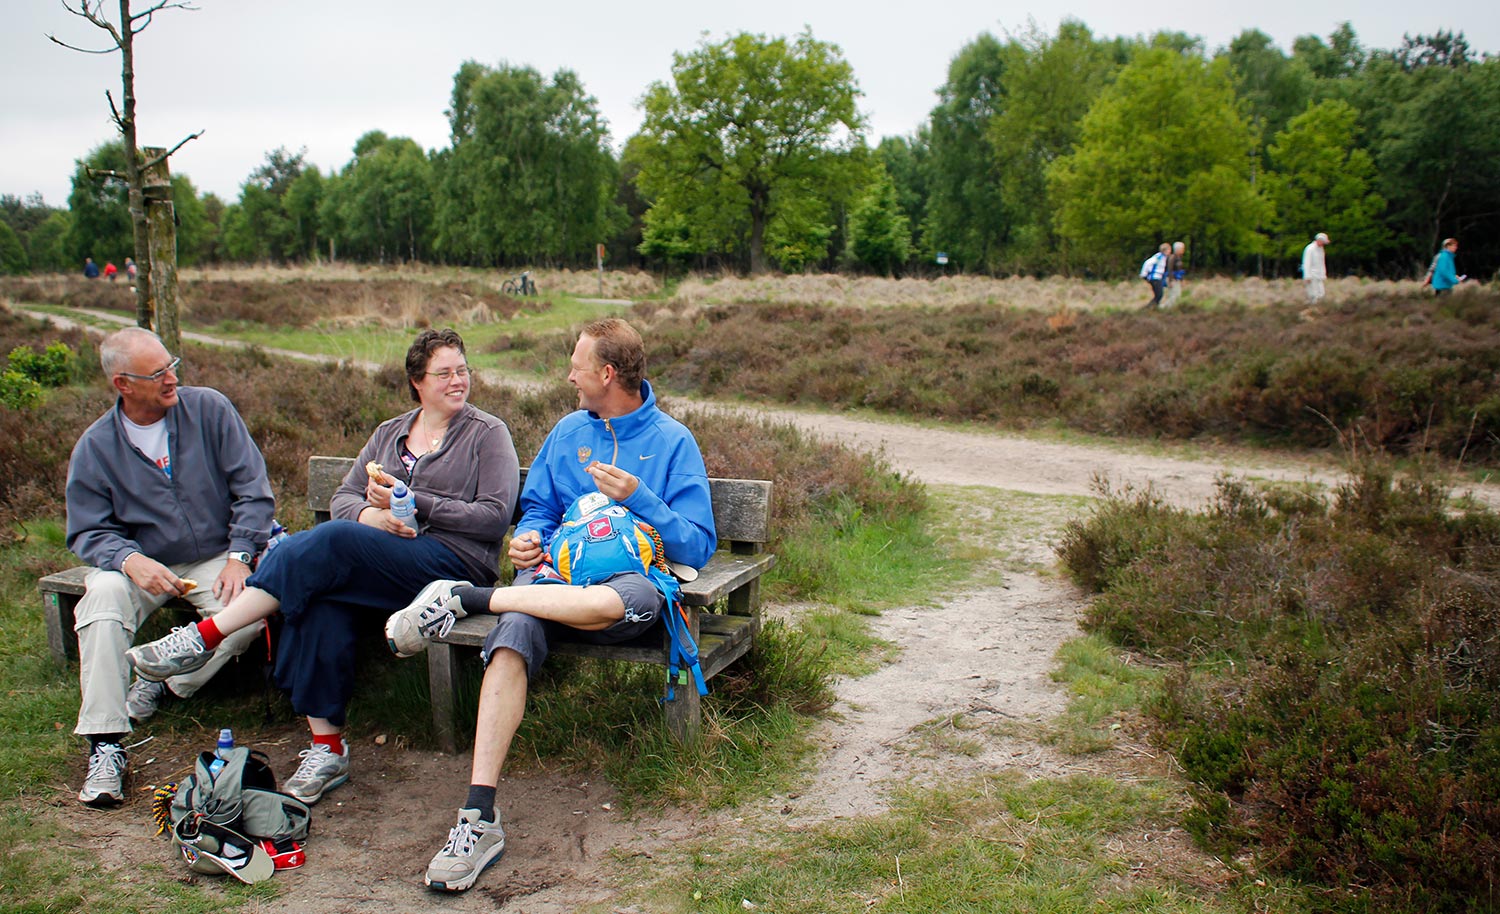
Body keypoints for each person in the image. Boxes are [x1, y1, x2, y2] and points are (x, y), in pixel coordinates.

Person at [385, 317, 716, 893]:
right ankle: (478, 816)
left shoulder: (671, 441)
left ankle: (466, 599)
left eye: (577, 364)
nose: (568, 375)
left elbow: (698, 544)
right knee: (513, 630)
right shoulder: (568, 434)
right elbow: (536, 507)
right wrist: (528, 539)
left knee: (624, 595)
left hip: (627, 599)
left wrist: (642, 498)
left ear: (607, 374)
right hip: (549, 584)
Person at [126, 328, 520, 807]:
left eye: (462, 371)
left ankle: (205, 636)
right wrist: (372, 516)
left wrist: (418, 502)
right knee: (321, 601)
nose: (458, 381)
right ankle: (327, 749)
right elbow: (343, 499)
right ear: (417, 381)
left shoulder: (487, 432)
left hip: (451, 569)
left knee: (329, 542)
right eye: (444, 373)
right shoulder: (389, 434)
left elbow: (495, 516)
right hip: (382, 567)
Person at [66, 327, 275, 808]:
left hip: (215, 556)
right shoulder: (96, 447)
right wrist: (128, 560)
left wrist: (240, 555)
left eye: (171, 364)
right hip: (140, 563)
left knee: (248, 615)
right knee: (101, 600)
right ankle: (105, 745)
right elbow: (86, 530)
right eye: (157, 372)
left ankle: (159, 680)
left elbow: (253, 489)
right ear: (123, 384)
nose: (171, 377)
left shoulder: (209, 410)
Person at [1301, 232, 1329, 304]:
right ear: (1319, 240)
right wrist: (1307, 276)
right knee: (1313, 294)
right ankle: (1312, 309)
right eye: (1323, 242)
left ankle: (1318, 307)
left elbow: (1322, 263)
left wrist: (1323, 275)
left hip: (1319, 275)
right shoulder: (1310, 249)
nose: (1323, 244)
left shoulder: (1321, 249)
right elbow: (1307, 263)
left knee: (1321, 293)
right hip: (1312, 275)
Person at [1140, 243, 1169, 309]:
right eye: (1168, 250)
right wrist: (1144, 275)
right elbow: (1148, 263)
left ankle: (1154, 308)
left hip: (1159, 277)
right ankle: (1148, 307)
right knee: (1159, 295)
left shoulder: (1164, 257)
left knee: (1158, 294)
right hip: (1155, 277)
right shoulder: (1159, 257)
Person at [1162, 241, 1187, 308]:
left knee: (1177, 294)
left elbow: (1180, 270)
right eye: (1183, 248)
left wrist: (1181, 280)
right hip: (1172, 279)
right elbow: (1170, 269)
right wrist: (1170, 281)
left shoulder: (1179, 258)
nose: (1184, 250)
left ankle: (1171, 308)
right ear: (1178, 249)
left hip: (1177, 279)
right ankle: (1165, 308)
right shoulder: (1172, 257)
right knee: (1173, 295)